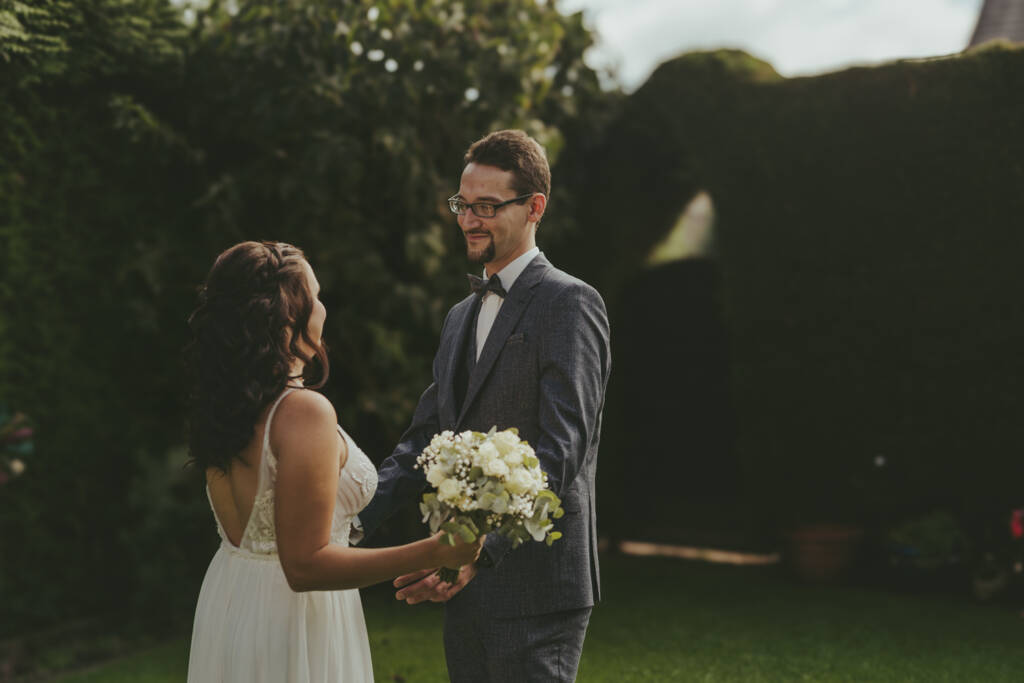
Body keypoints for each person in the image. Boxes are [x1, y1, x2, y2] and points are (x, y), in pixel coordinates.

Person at [356, 130, 612, 682]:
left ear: (534, 207)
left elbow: (562, 450)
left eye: (487, 207)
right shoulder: (458, 317)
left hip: (538, 584)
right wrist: (353, 520)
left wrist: (481, 549)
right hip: (462, 578)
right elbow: (426, 437)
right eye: (463, 204)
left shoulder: (570, 302)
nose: (469, 220)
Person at [184, 241, 481, 683]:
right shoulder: (303, 412)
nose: (323, 309)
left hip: (233, 598)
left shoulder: (229, 406)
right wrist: (435, 550)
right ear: (289, 314)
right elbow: (305, 565)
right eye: (316, 296)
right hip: (293, 620)